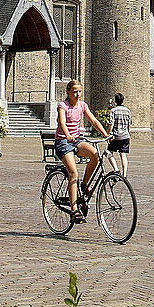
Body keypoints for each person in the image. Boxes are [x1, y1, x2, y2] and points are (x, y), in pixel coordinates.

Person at [55, 79, 109, 224]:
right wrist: (67, 135)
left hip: (77, 139)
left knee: (95, 155)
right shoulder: (63, 106)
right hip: (63, 142)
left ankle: (84, 185)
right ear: (68, 92)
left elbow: (94, 121)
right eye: (75, 92)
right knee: (73, 173)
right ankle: (74, 210)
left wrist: (105, 135)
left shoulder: (83, 105)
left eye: (80, 91)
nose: (78, 94)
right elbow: (62, 122)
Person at [106, 93, 132, 177]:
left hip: (116, 136)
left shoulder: (113, 110)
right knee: (123, 155)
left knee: (108, 152)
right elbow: (129, 125)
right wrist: (128, 134)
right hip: (125, 136)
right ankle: (124, 175)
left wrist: (108, 134)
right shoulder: (127, 110)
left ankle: (116, 169)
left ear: (115, 101)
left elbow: (111, 123)